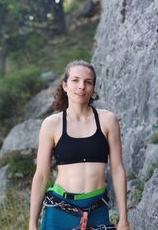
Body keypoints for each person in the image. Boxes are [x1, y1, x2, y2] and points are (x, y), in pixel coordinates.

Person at [29, 60, 131, 230]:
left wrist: (124, 218)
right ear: (65, 85)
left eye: (88, 82)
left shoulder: (108, 120)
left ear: (93, 88)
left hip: (97, 209)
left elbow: (118, 169)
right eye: (75, 80)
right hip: (60, 212)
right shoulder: (51, 124)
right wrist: (32, 224)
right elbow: (40, 175)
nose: (81, 86)